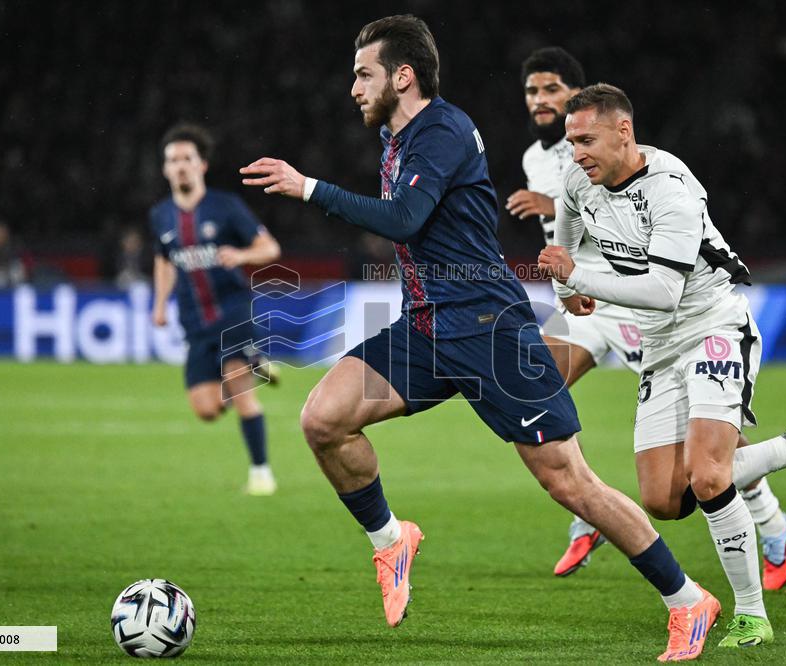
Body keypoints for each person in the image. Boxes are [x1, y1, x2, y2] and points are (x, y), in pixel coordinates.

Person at [243, 15, 725, 661]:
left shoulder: (441, 129)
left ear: (403, 75)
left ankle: (687, 600)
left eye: (364, 73)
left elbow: (406, 218)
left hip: (490, 330)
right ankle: (391, 541)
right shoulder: (396, 140)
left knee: (570, 483)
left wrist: (308, 187)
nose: (353, 87)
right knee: (323, 419)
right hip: (425, 327)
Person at [539, 83, 786, 649]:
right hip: (660, 348)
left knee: (709, 476)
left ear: (623, 132)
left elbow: (664, 291)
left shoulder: (672, 188)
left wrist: (577, 278)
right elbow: (564, 235)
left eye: (586, 139)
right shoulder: (576, 177)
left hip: (714, 326)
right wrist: (567, 286)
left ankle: (751, 615)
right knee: (664, 500)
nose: (577, 152)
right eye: (571, 141)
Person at [507, 47, 786, 591]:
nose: (540, 100)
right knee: (536, 384)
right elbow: (561, 240)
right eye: (531, 91)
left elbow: (633, 245)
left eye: (551, 90)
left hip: (641, 301)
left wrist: (557, 225)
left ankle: (772, 521)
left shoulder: (635, 167)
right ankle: (588, 504)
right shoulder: (538, 159)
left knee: (708, 449)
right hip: (592, 304)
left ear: (575, 97)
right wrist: (565, 286)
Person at [150, 123, 282, 496]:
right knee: (206, 409)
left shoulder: (225, 207)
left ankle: (261, 474)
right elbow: (163, 261)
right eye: (172, 160)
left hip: (233, 311)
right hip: (195, 321)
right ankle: (253, 365)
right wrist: (159, 303)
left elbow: (270, 248)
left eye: (187, 159)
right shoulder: (161, 216)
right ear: (164, 169)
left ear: (202, 165)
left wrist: (241, 254)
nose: (180, 166)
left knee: (241, 394)